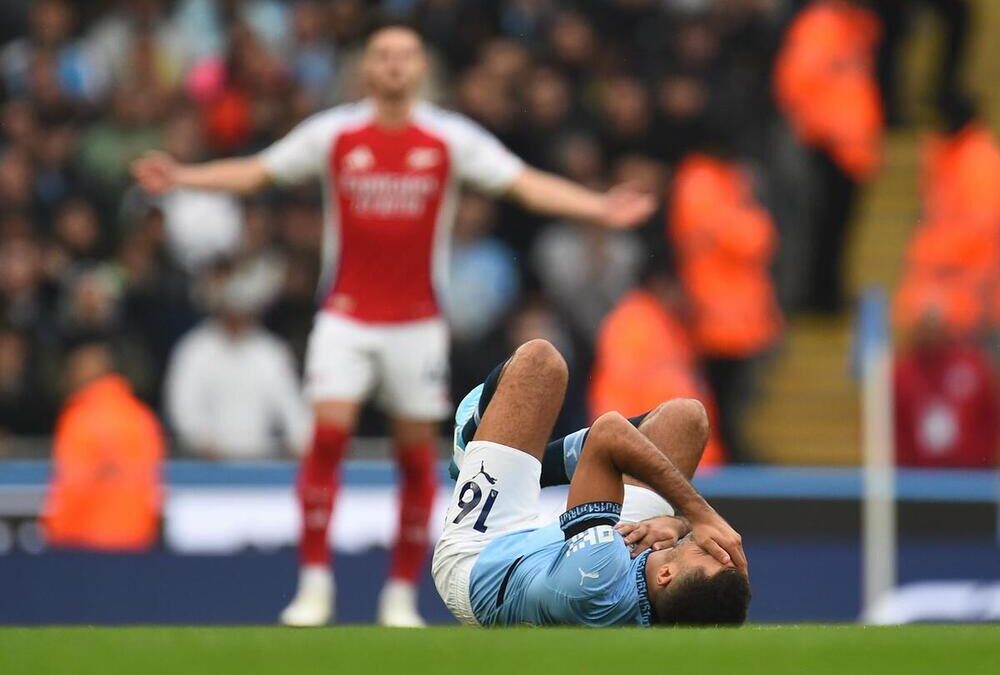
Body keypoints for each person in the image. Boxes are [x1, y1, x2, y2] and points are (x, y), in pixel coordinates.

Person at [131, 21, 655, 627]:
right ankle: (314, 584)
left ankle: (400, 595)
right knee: (326, 442)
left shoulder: (447, 137)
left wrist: (598, 207)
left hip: (416, 323)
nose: (394, 66)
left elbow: (522, 183)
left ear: (421, 68)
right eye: (383, 55)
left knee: (413, 455)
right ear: (366, 68)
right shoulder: (335, 132)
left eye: (406, 56)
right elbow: (259, 171)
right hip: (346, 316)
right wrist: (183, 177)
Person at [434, 339, 749, 627]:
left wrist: (699, 516)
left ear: (666, 574)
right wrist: (678, 524)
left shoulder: (600, 574)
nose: (711, 547)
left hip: (485, 562)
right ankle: (523, 466)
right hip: (572, 556)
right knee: (685, 420)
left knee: (541, 363)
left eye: (704, 555)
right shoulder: (661, 588)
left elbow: (608, 433)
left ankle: (476, 449)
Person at [164, 259, 311, 460]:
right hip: (207, 464)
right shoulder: (196, 349)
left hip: (260, 463)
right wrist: (200, 438)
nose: (238, 317)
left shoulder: (270, 352)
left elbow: (292, 406)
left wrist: (300, 440)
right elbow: (183, 404)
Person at [43, 334, 164, 551]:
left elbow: (71, 487)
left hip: (82, 544)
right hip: (136, 542)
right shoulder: (142, 417)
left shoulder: (78, 419)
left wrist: (54, 536)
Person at [893, 310, 998, 469]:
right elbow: (893, 425)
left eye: (934, 328)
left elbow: (990, 416)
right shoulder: (900, 374)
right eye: (925, 329)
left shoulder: (971, 366)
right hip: (916, 477)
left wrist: (982, 458)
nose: (930, 335)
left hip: (971, 474)